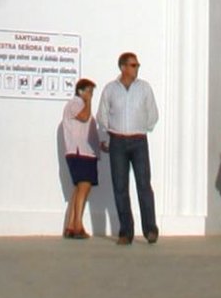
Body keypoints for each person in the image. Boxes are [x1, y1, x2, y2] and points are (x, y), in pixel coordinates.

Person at [97, 53, 160, 245]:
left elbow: (153, 114)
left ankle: (150, 229)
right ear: (123, 67)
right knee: (120, 187)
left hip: (139, 141)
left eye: (137, 65)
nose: (136, 68)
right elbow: (102, 115)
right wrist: (109, 135)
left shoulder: (144, 88)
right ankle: (125, 231)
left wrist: (141, 128)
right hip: (117, 141)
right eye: (133, 65)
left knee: (144, 185)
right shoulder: (110, 89)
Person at [61, 76, 101, 239]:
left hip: (85, 152)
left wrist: (100, 147)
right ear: (80, 91)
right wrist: (88, 101)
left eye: (92, 92)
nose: (91, 94)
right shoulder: (76, 104)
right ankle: (78, 225)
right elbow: (84, 117)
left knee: (79, 188)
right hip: (79, 152)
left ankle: (71, 226)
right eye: (89, 91)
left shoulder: (81, 106)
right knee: (84, 186)